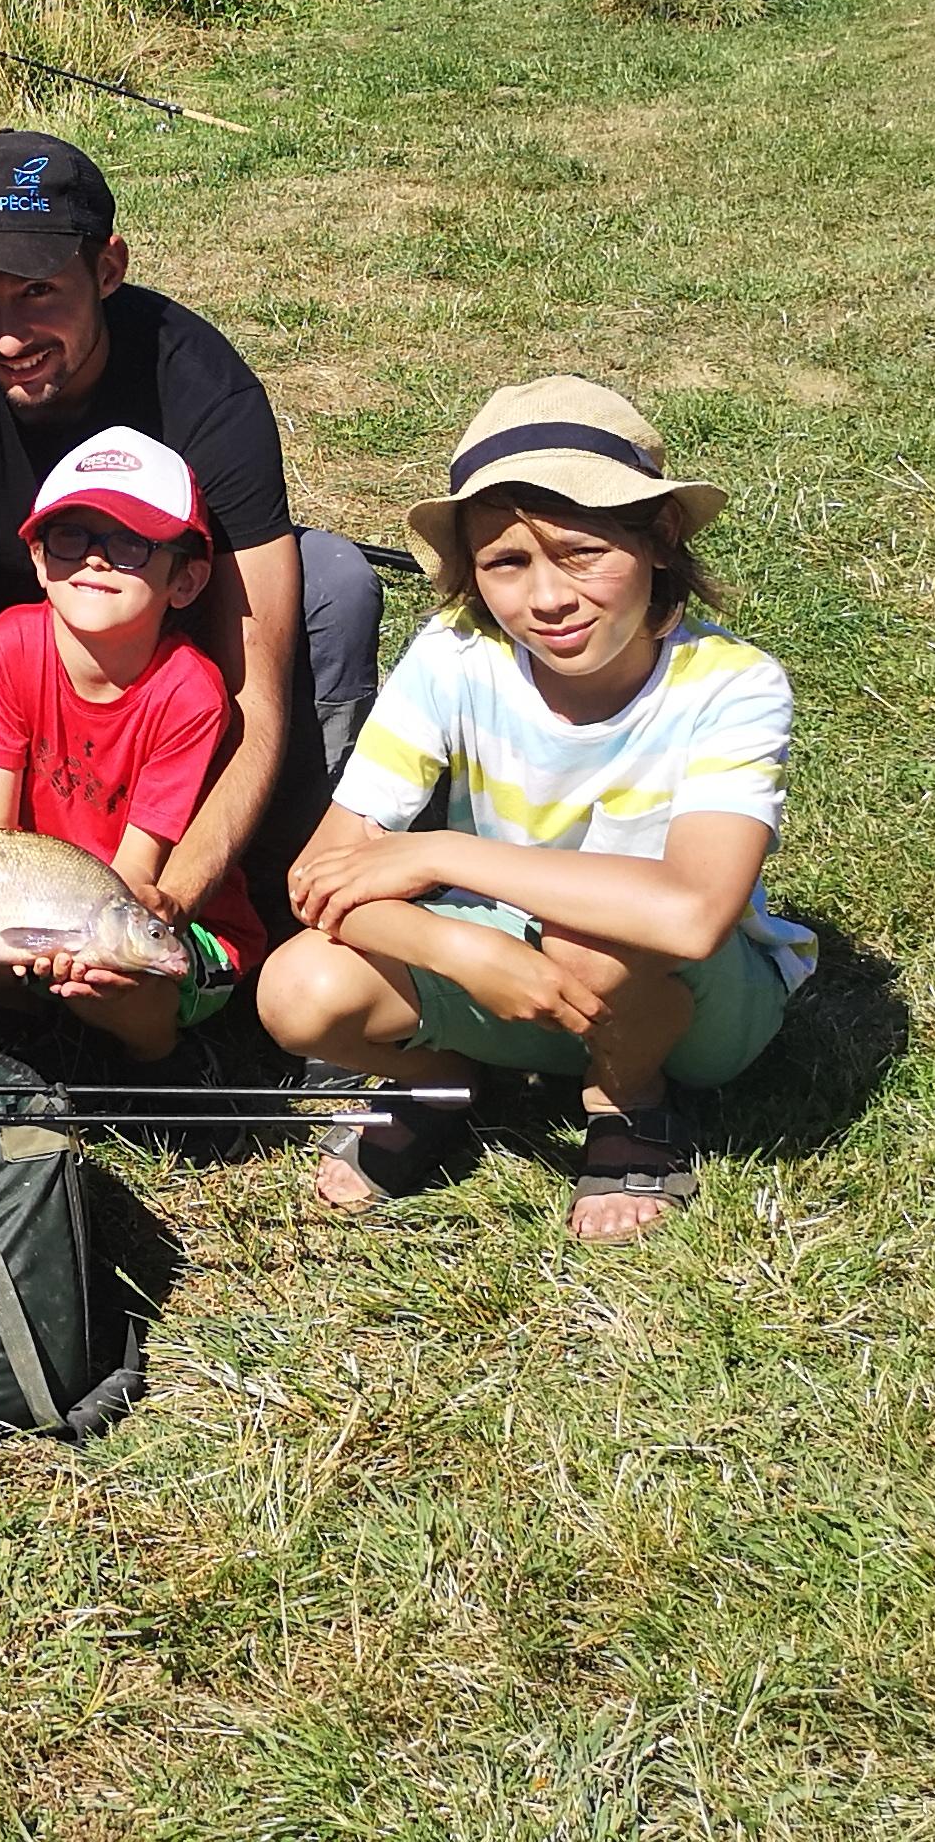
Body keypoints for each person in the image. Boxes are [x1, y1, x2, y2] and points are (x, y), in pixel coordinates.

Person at [254, 378, 807, 1243]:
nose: (547, 599)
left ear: (661, 540)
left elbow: (693, 915)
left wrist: (442, 857)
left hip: (685, 1007)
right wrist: (459, 946)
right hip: (509, 970)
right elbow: (320, 875)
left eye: (582, 551)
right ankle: (451, 1079)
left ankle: (631, 1098)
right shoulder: (454, 656)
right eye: (507, 563)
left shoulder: (733, 685)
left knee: (592, 931)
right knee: (298, 989)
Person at [0, 130, 381, 942]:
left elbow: (251, 694)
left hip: (162, 637)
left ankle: (284, 867)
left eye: (38, 292)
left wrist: (169, 901)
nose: (8, 337)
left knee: (332, 579)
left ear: (109, 268)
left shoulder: (207, 392)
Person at [0, 428, 270, 1061]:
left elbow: (137, 875)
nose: (96, 560)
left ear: (185, 582)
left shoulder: (190, 691)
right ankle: (36, 1026)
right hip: (35, 905)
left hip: (156, 919)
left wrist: (79, 941)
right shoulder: (9, 642)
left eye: (131, 544)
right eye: (71, 538)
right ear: (39, 561)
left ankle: (158, 1055)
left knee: (114, 977)